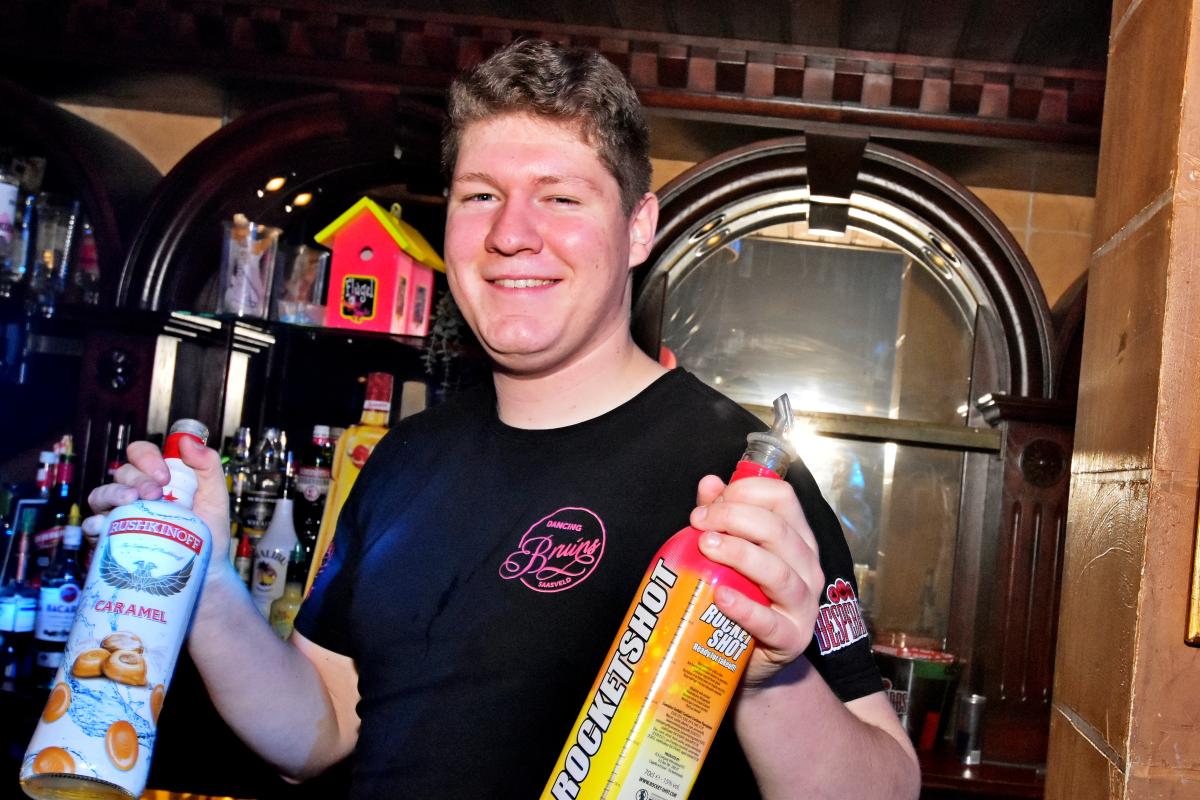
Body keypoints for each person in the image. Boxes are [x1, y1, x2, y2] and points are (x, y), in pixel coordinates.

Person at [88, 39, 920, 799]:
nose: (511, 235)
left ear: (638, 229)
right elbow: (320, 729)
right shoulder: (403, 458)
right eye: (481, 195)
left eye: (560, 197)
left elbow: (886, 789)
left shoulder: (741, 483)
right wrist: (205, 583)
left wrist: (773, 680)